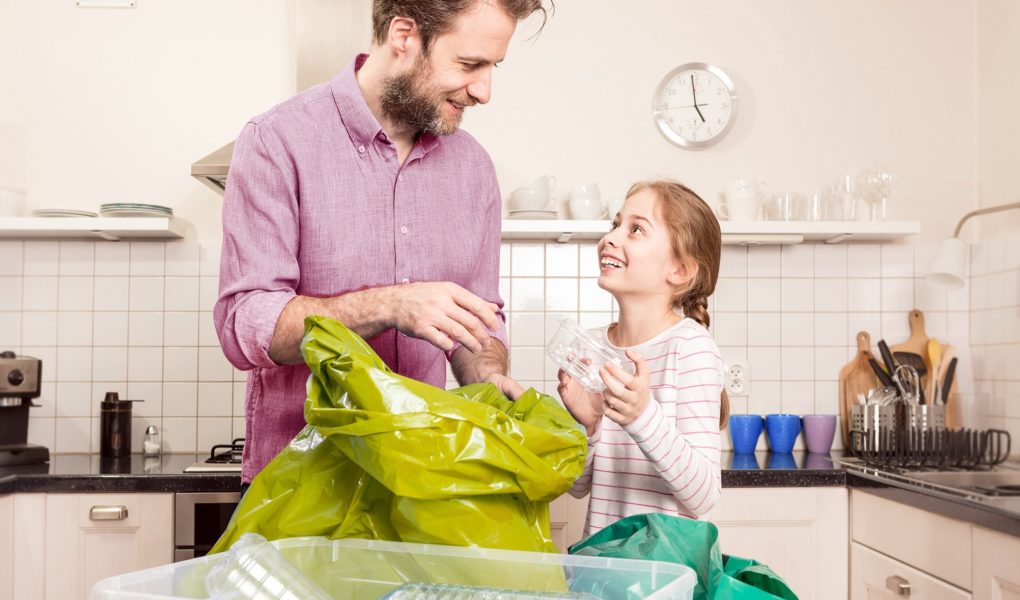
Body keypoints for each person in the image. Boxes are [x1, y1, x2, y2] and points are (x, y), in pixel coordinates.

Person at [214, 0, 551, 486]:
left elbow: (479, 322)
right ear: (404, 35)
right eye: (469, 64)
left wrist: (488, 373)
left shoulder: (474, 169)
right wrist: (389, 305)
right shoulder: (276, 142)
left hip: (416, 489)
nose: (484, 90)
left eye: (492, 68)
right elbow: (245, 325)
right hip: (300, 491)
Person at [558, 180, 729, 537]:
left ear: (679, 270)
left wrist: (641, 415)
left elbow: (703, 496)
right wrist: (588, 428)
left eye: (635, 229)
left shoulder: (689, 347)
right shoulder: (591, 346)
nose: (612, 237)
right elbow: (578, 487)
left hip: (664, 577)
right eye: (615, 224)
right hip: (601, 569)